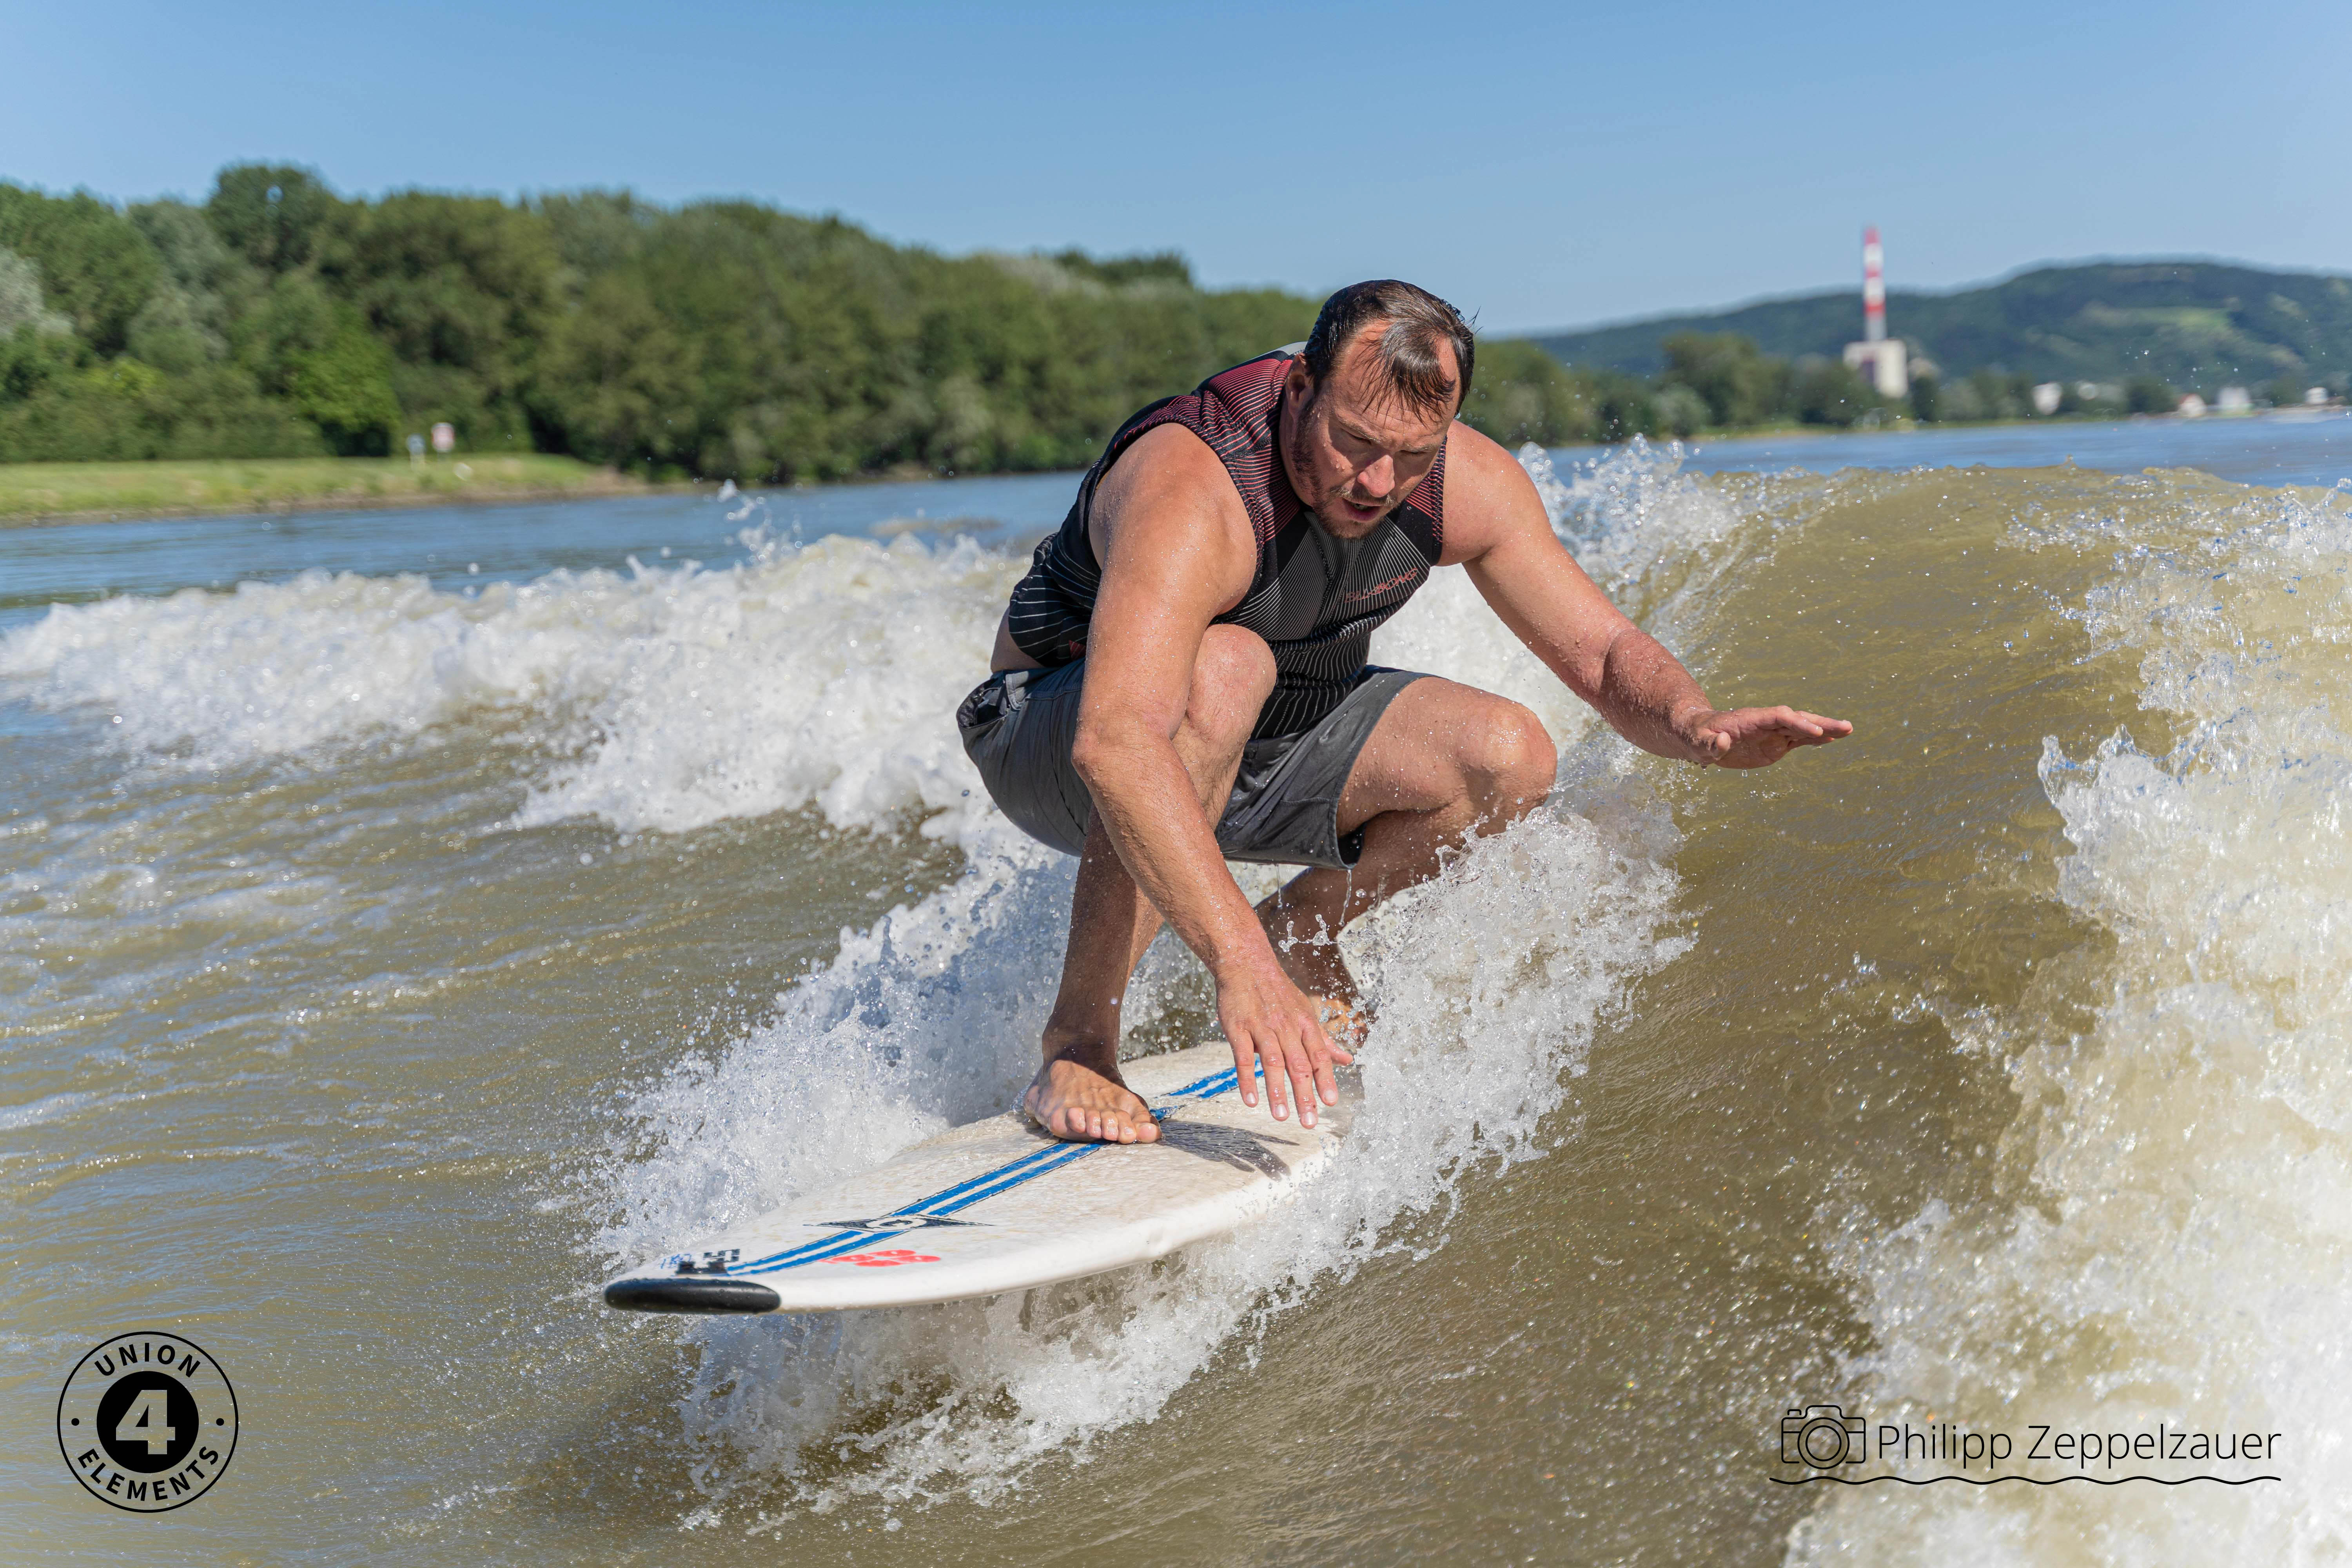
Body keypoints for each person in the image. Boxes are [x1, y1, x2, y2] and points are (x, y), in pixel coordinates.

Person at [957, 280, 1851, 1145]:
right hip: (1051, 733)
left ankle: (1301, 929)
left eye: (1415, 454)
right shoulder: (1196, 487)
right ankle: (1078, 1045)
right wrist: (1240, 969)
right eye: (1355, 442)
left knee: (1508, 752)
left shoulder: (1462, 481)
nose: (1379, 481)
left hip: (1264, 732)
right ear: (1300, 389)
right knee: (1229, 665)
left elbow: (1603, 651)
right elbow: (1116, 742)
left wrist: (1694, 723)